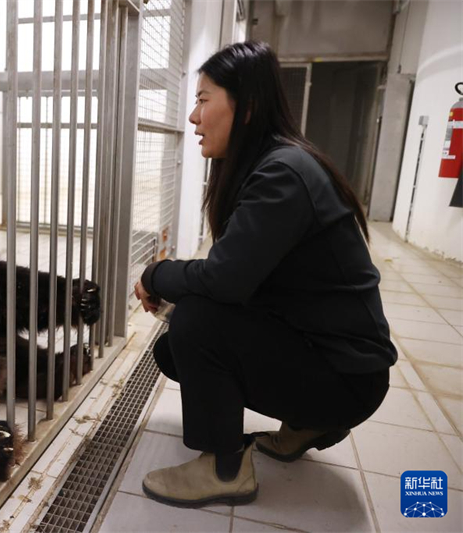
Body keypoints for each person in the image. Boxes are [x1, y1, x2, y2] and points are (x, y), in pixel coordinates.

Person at [133, 41, 396, 508]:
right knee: (175, 345)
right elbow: (241, 275)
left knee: (197, 319)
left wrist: (156, 274)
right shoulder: (271, 166)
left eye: (203, 99)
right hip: (337, 365)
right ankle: (305, 425)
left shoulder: (282, 174)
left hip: (346, 380)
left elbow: (223, 281)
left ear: (247, 107)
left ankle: (224, 468)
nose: (193, 117)